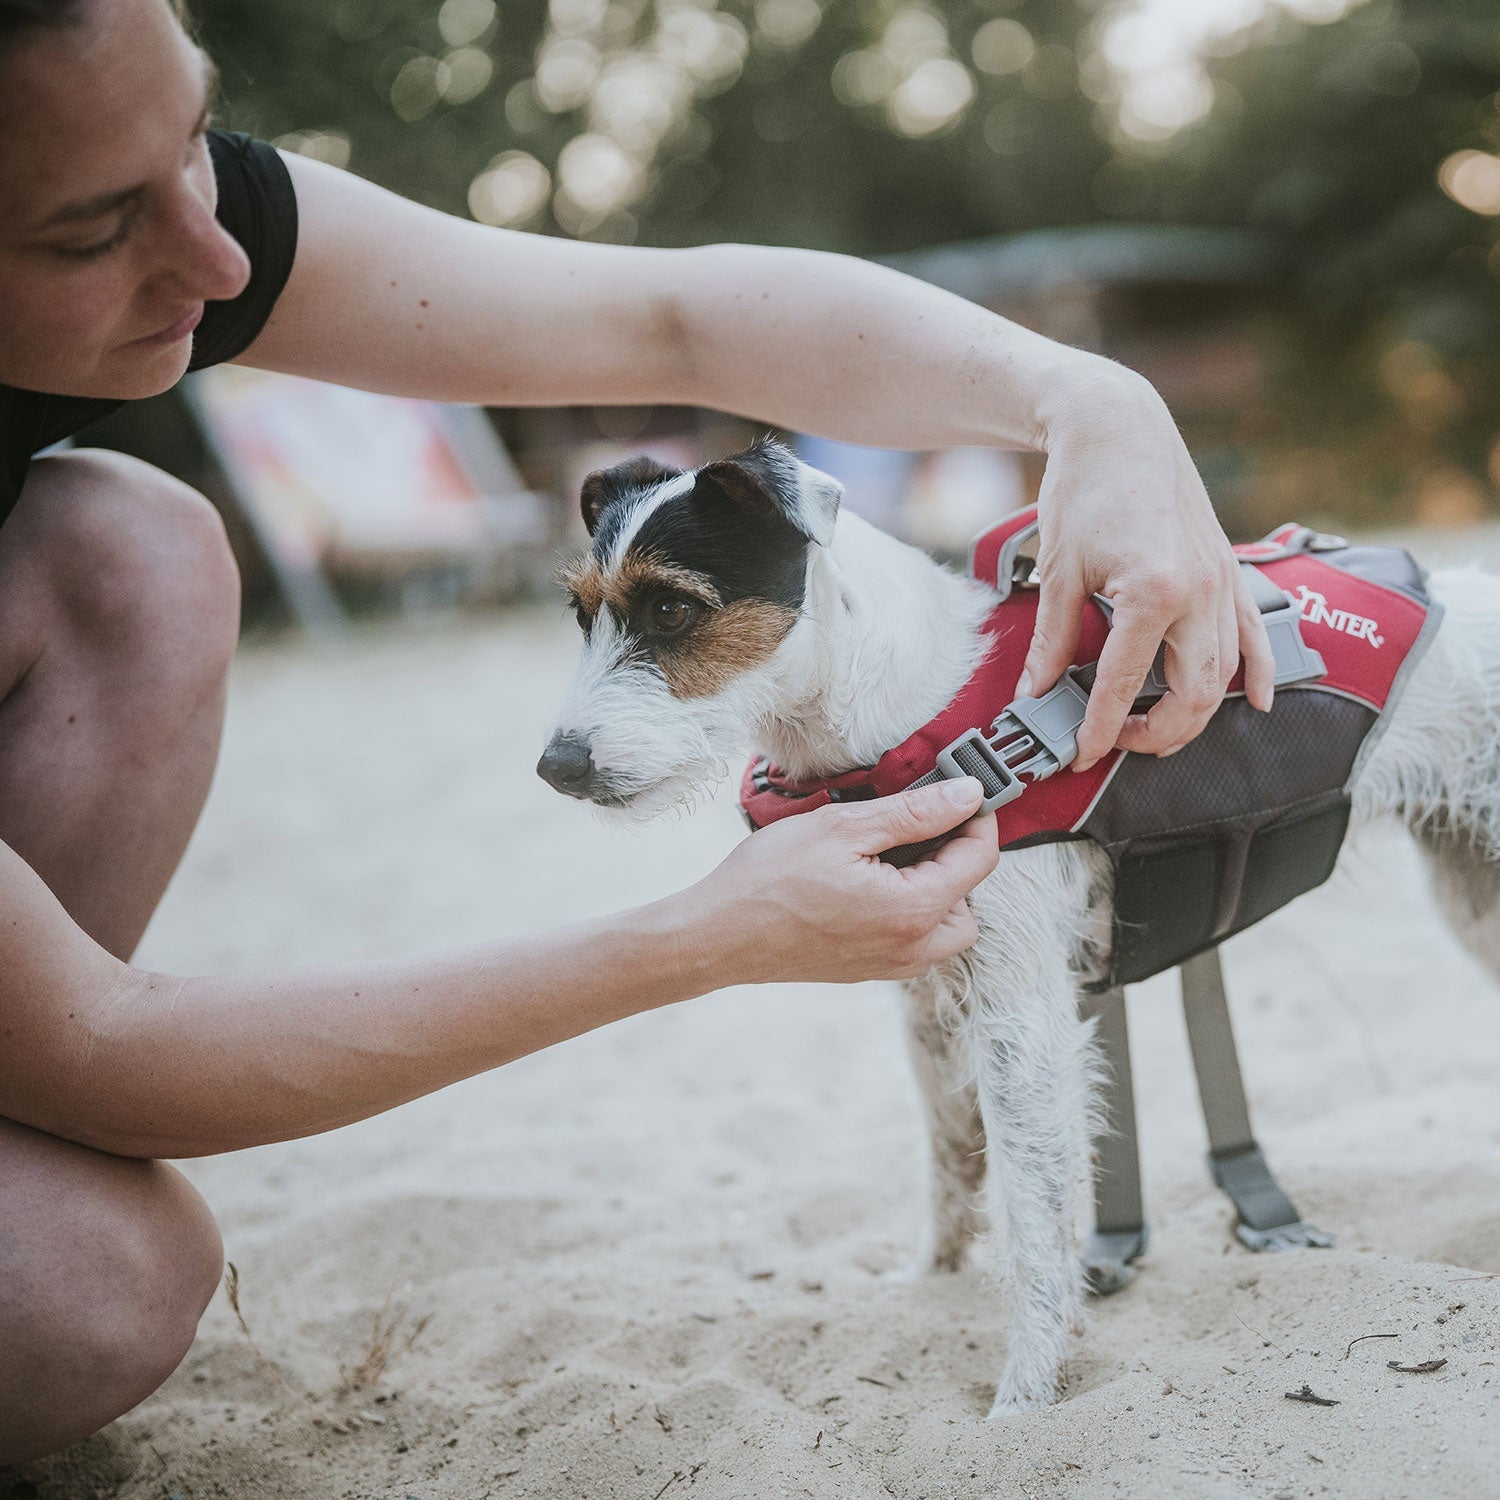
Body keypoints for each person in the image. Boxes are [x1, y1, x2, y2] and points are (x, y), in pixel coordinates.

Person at [0, 0, 1275, 1464]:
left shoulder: (193, 222)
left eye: (195, 141)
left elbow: (672, 313)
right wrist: (704, 936)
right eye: (92, 230)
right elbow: (101, 1042)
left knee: (135, 545)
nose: (221, 265)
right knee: (108, 1283)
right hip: (82, 1056)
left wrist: (1091, 399)